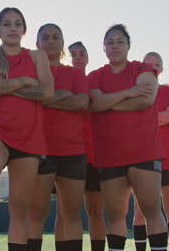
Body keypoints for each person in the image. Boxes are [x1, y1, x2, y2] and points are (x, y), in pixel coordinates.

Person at [0, 7, 54, 251]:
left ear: (24, 29)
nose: (12, 28)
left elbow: (47, 93)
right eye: (7, 24)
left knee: (20, 207)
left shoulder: (37, 56)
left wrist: (6, 85)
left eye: (18, 24)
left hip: (29, 133)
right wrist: (24, 81)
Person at [88, 24, 168, 251]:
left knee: (151, 209)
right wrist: (127, 92)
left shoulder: (142, 69)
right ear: (103, 48)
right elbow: (95, 103)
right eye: (110, 42)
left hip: (144, 151)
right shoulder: (95, 75)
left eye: (120, 41)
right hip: (110, 155)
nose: (115, 46)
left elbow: (145, 99)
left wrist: (109, 103)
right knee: (114, 215)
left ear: (128, 46)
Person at [27, 24, 89, 251]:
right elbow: (26, 101)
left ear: (62, 43)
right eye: (45, 37)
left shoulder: (73, 73)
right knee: (35, 214)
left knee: (71, 213)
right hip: (37, 150)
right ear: (37, 44)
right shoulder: (29, 74)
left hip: (72, 151)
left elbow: (82, 101)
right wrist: (63, 96)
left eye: (56, 37)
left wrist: (44, 97)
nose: (51, 41)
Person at [133, 52, 169, 251]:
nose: (153, 67)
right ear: (141, 68)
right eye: (149, 63)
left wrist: (149, 117)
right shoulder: (135, 93)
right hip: (142, 159)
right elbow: (134, 121)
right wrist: (165, 115)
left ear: (161, 69)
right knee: (140, 212)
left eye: (157, 64)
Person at [70, 41, 107, 251]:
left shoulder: (94, 82)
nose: (77, 57)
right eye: (73, 54)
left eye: (81, 53)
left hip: (94, 156)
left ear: (87, 58)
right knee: (68, 211)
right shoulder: (62, 81)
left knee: (95, 210)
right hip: (68, 155)